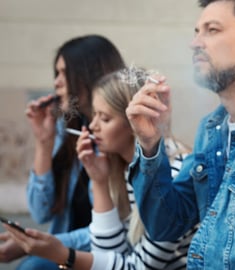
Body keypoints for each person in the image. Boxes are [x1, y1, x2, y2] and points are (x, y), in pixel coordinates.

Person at [125, 0, 235, 269]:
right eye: (197, 31)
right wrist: (150, 143)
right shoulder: (212, 128)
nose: (195, 43)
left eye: (212, 30)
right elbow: (166, 225)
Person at [3, 69, 197, 270]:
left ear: (135, 123)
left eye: (104, 118)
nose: (93, 126)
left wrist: (63, 254)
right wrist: (99, 181)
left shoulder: (172, 174)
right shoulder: (119, 166)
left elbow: (138, 268)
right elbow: (108, 254)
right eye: (93, 115)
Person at [0, 35, 125, 269]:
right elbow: (41, 212)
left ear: (91, 74)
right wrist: (43, 143)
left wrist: (43, 245)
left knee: (33, 266)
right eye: (55, 73)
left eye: (64, 73)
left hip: (104, 257)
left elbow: (119, 230)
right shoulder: (67, 129)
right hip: (66, 253)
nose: (56, 82)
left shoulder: (119, 137)